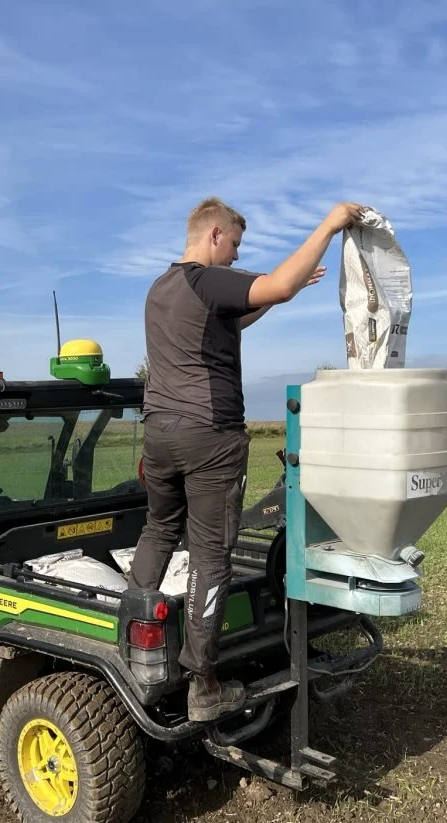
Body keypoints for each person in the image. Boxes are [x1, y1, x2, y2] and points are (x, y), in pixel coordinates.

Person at [128, 196, 366, 721]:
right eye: (234, 244)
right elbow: (273, 283)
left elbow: (236, 318)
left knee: (160, 530)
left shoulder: (162, 289)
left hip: (160, 434)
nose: (236, 257)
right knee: (212, 555)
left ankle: (133, 636)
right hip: (208, 436)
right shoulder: (205, 279)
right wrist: (329, 224)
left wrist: (281, 295)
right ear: (214, 235)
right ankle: (203, 683)